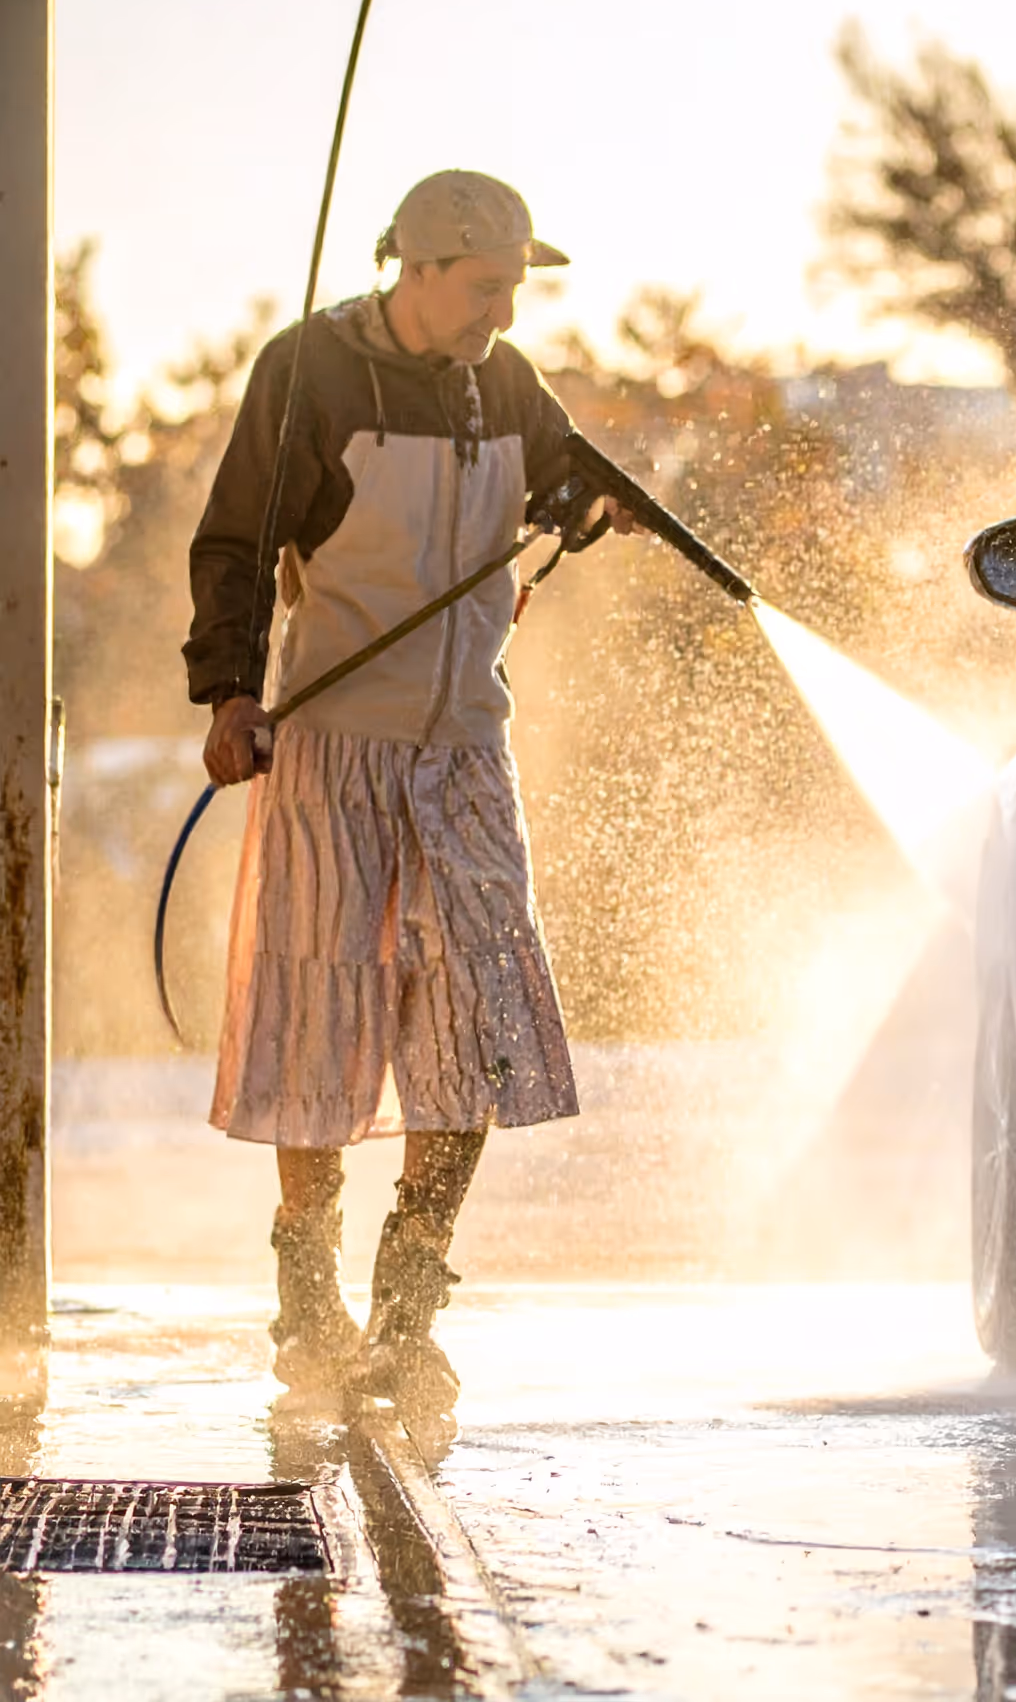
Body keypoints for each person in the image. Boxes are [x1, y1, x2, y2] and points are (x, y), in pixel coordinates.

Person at [183, 170, 627, 1415]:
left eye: (516, 289)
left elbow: (561, 482)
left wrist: (591, 506)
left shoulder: (510, 386)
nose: (502, 310)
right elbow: (230, 539)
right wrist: (227, 692)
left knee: (477, 1019)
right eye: (486, 286)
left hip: (469, 744)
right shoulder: (310, 372)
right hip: (331, 742)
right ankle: (308, 1293)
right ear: (418, 268)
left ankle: (409, 1303)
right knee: (320, 1013)